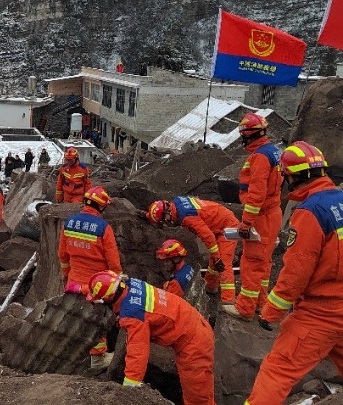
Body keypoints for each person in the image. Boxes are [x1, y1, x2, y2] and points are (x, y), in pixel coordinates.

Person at [245, 142, 341, 405]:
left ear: (294, 176)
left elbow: (297, 272)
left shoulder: (310, 212)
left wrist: (271, 312)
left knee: (276, 372)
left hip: (320, 314)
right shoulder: (340, 201)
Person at [87, 271, 214, 404]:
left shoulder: (132, 315)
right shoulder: (131, 284)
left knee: (197, 399)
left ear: (108, 300)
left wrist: (129, 388)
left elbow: (137, 352)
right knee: (204, 391)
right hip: (193, 325)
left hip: (193, 342)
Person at [223, 113, 283, 321]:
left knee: (251, 262)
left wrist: (247, 222)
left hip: (261, 217)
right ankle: (261, 304)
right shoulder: (272, 152)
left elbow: (257, 192)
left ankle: (245, 309)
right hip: (272, 214)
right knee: (264, 263)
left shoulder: (260, 157)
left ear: (248, 135)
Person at [59, 186, 121, 370]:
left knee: (76, 317)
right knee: (96, 322)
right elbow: (114, 262)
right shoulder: (103, 228)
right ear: (101, 207)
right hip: (97, 285)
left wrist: (67, 276)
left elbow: (63, 256)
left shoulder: (69, 223)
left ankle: (74, 354)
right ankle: (98, 360)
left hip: (73, 282)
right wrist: (117, 283)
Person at [145, 196, 239, 303]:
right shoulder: (175, 203)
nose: (166, 223)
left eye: (164, 221)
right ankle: (210, 287)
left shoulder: (187, 218)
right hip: (219, 218)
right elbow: (159, 212)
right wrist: (147, 215)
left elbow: (208, 237)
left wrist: (217, 257)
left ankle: (228, 300)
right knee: (214, 259)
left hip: (229, 227)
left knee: (223, 262)